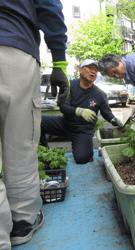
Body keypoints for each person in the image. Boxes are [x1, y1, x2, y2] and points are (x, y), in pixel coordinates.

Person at [0, 0, 70, 248]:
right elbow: (49, 8)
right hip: (13, 50)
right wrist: (59, 62)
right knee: (20, 146)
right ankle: (22, 221)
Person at [40, 59, 122, 164]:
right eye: (89, 68)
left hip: (83, 130)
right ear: (80, 70)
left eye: (96, 70)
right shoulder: (70, 86)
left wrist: (113, 119)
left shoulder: (100, 94)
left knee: (82, 158)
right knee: (37, 121)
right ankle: (45, 151)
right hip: (65, 124)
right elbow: (63, 107)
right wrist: (79, 111)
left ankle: (85, 149)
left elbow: (107, 113)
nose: (93, 72)